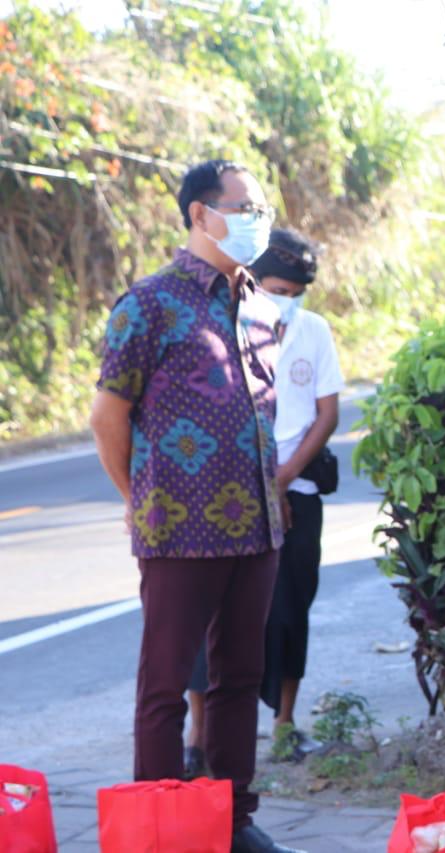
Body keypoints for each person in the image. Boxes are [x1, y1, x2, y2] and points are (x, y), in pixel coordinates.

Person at [90, 159, 300, 853]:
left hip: (257, 528)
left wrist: (275, 498)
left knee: (241, 678)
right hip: (179, 530)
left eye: (263, 208)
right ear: (200, 215)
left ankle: (232, 821)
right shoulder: (149, 305)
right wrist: (138, 499)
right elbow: (108, 417)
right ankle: (159, 828)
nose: (258, 219)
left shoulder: (264, 310)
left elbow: (263, 417)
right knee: (166, 683)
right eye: (245, 208)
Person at [185, 228, 344, 768]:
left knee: (290, 610)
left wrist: (283, 478)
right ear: (254, 280)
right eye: (279, 290)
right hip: (227, 494)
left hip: (297, 488)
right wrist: (255, 484)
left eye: (297, 293)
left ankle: (284, 724)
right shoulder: (218, 323)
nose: (287, 301)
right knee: (209, 614)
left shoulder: (313, 331)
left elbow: (326, 413)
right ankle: (198, 738)